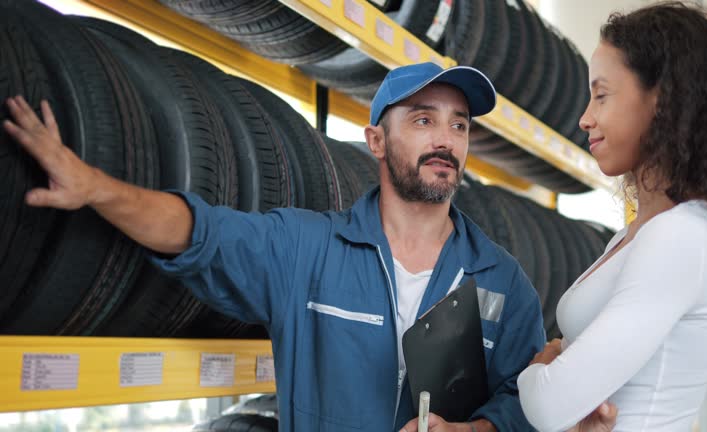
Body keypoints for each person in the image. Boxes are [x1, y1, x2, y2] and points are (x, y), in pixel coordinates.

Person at [5, 62, 557, 431]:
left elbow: (524, 400)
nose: (445, 139)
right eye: (422, 120)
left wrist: (472, 429)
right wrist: (96, 187)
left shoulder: (500, 278)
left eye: (458, 125)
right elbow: (200, 232)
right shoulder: (306, 250)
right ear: (376, 141)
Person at [517, 2, 707, 431]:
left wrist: (537, 369)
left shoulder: (685, 234)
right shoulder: (639, 233)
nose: (584, 118)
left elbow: (547, 406)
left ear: (662, 99)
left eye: (601, 95)